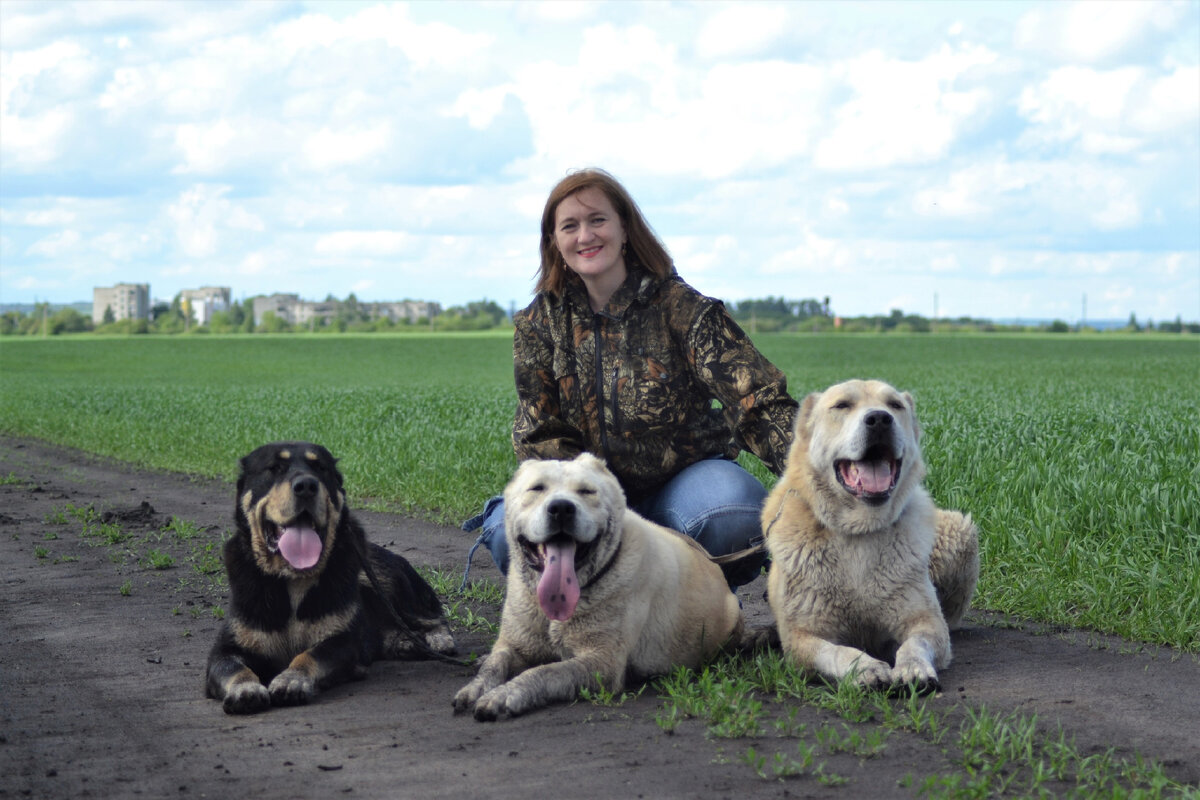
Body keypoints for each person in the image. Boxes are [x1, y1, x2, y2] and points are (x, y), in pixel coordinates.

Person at [463, 168, 799, 589]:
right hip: (586, 497)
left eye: (598, 220)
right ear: (554, 242)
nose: (585, 236)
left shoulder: (684, 310)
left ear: (625, 229)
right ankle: (597, 600)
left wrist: (821, 481)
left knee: (733, 516)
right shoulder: (539, 324)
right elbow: (542, 439)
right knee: (503, 535)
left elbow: (759, 403)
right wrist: (595, 509)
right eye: (570, 226)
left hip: (681, 488)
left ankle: (694, 603)